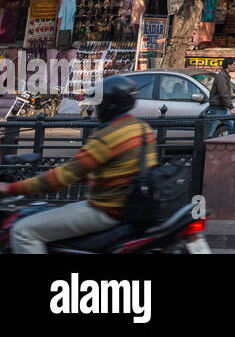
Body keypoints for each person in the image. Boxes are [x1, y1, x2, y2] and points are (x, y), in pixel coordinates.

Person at [0, 78, 156, 253]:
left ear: (108, 105)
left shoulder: (107, 136)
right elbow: (122, 168)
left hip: (105, 210)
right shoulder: (142, 128)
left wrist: (9, 188)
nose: (95, 109)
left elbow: (59, 180)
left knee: (23, 230)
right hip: (129, 206)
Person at [204, 59, 235, 138]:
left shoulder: (225, 75)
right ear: (229, 65)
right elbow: (223, 94)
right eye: (234, 65)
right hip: (217, 108)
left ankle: (233, 145)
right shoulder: (221, 76)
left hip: (222, 107)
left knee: (232, 128)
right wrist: (231, 107)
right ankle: (206, 147)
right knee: (210, 131)